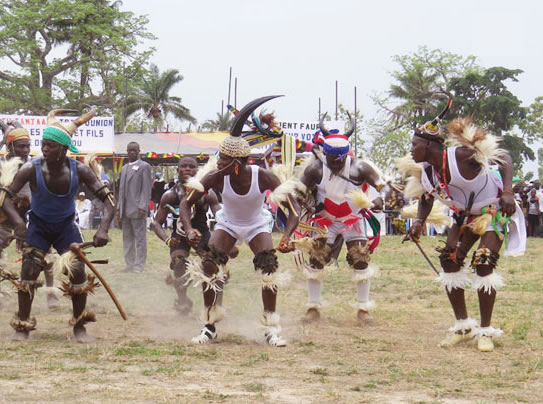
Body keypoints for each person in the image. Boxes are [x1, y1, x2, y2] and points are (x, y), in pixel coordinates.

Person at [402, 98, 525, 352]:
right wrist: (418, 223)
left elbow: (504, 157)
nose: (411, 150)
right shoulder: (427, 172)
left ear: (428, 145)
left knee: (483, 260)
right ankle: (463, 326)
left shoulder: (460, 156)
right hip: (465, 217)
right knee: (449, 260)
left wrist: (509, 191)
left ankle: (486, 331)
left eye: (415, 145)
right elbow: (426, 198)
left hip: (494, 211)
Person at [179, 96, 299, 347]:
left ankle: (271, 328)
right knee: (210, 265)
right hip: (228, 223)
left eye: (223, 159)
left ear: (237, 163)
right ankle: (210, 326)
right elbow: (185, 203)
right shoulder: (215, 177)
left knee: (268, 267)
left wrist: (287, 237)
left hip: (257, 224)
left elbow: (294, 211)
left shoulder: (264, 177)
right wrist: (189, 229)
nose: (218, 162)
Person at [1, 108, 115, 341]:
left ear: (64, 149)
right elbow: (4, 198)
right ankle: (22, 326)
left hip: (66, 227)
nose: (44, 149)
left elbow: (109, 202)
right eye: (43, 144)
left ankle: (79, 326)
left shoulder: (79, 170)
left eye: (50, 145)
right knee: (29, 271)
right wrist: (18, 224)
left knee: (77, 271)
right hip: (39, 226)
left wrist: (103, 228)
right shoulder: (30, 168)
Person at [297, 114, 385, 324]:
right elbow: (298, 191)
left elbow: (381, 186)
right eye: (331, 158)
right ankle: (313, 307)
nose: (335, 163)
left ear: (346, 155)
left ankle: (363, 309)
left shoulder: (360, 167)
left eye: (339, 159)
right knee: (316, 259)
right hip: (324, 219)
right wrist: (307, 203)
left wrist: (380, 199)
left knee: (360, 259)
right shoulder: (315, 168)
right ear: (324, 154)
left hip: (352, 219)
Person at [0, 121, 61, 310]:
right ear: (10, 146)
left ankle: (51, 292)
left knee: (45, 253)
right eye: (21, 146)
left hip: (32, 215)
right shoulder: (2, 166)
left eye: (28, 145)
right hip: (6, 217)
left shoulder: (36, 165)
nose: (26, 150)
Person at [153, 156, 223, 315]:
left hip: (202, 235)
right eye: (183, 166)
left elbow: (220, 214)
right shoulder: (170, 195)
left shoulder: (207, 193)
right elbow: (156, 222)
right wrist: (167, 240)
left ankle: (215, 304)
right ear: (177, 170)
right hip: (180, 237)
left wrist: (227, 232)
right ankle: (183, 300)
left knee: (212, 267)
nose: (187, 169)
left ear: (197, 170)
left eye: (191, 166)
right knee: (178, 264)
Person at [117, 142, 152, 273]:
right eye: (129, 150)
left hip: (138, 209)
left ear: (138, 151)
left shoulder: (144, 167)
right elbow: (121, 191)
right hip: (125, 210)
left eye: (134, 150)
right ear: (127, 152)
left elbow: (146, 189)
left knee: (140, 239)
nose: (131, 152)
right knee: (127, 238)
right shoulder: (124, 168)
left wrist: (143, 206)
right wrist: (119, 208)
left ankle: (139, 265)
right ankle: (129, 264)